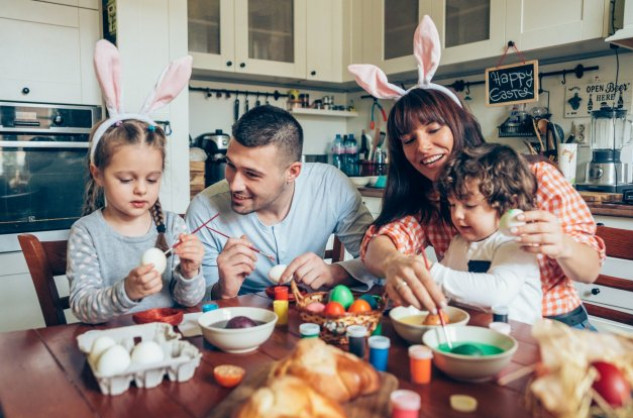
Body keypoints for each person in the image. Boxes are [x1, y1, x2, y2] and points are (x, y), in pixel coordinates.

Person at [348, 16, 604, 329]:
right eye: (408, 140)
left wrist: (562, 244)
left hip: (557, 326)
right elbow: (378, 244)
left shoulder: (534, 176)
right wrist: (394, 262)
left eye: (433, 129)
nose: (423, 147)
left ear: (460, 126)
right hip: (479, 326)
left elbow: (589, 271)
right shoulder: (427, 197)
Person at [67, 40, 205, 323]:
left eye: (152, 179)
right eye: (127, 179)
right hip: (113, 344)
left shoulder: (173, 225)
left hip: (171, 341)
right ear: (98, 174)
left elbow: (189, 301)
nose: (141, 188)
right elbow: (82, 307)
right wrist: (126, 291)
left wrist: (190, 272)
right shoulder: (87, 233)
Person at [186, 105, 377, 299]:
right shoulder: (204, 210)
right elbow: (196, 303)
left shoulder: (330, 186)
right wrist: (223, 290)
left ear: (292, 172)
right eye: (231, 165)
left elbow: (380, 262)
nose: (234, 185)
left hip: (310, 316)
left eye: (252, 174)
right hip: (242, 319)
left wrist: (334, 273)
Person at [431, 143, 542, 324]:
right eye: (452, 205)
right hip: (474, 333)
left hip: (519, 339)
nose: (457, 215)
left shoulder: (515, 242)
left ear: (509, 203)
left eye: (470, 205)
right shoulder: (458, 243)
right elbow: (440, 288)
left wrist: (432, 272)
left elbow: (497, 293)